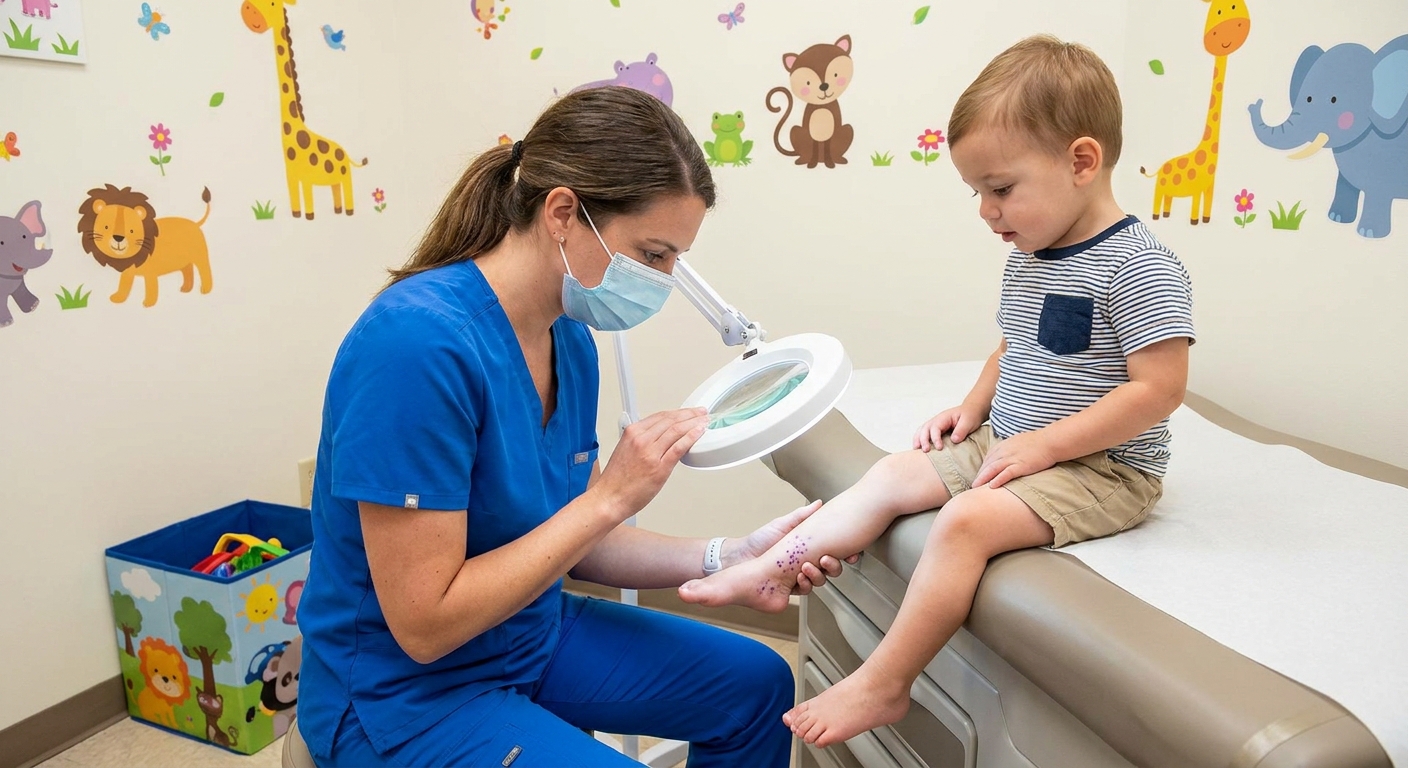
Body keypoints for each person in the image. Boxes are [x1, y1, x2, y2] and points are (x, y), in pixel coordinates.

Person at [295, 86, 849, 768]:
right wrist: (610, 496)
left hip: (523, 632)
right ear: (563, 212)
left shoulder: (568, 340)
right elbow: (425, 626)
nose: (665, 280)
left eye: (675, 259)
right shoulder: (415, 347)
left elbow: (575, 539)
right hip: (403, 694)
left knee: (757, 685)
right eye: (653, 255)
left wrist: (728, 555)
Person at [677, 34, 1196, 749]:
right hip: (1014, 441)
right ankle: (773, 569)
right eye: (978, 192)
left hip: (1102, 467)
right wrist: (974, 406)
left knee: (964, 524)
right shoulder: (1032, 254)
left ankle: (886, 681)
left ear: (1081, 161)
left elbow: (1160, 390)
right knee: (890, 473)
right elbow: (1013, 345)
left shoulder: (1139, 267)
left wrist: (1047, 444)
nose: (987, 211)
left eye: (1001, 188)